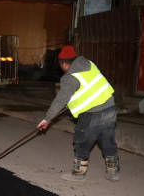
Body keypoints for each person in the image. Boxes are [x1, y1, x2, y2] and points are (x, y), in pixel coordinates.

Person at [37, 45, 119, 182]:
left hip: (93, 113)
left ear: (64, 64)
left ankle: (78, 173)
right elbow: (89, 87)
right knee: (107, 139)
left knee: (81, 141)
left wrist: (47, 119)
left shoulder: (70, 78)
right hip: (110, 107)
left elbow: (60, 100)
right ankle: (113, 172)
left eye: (60, 65)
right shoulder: (89, 64)